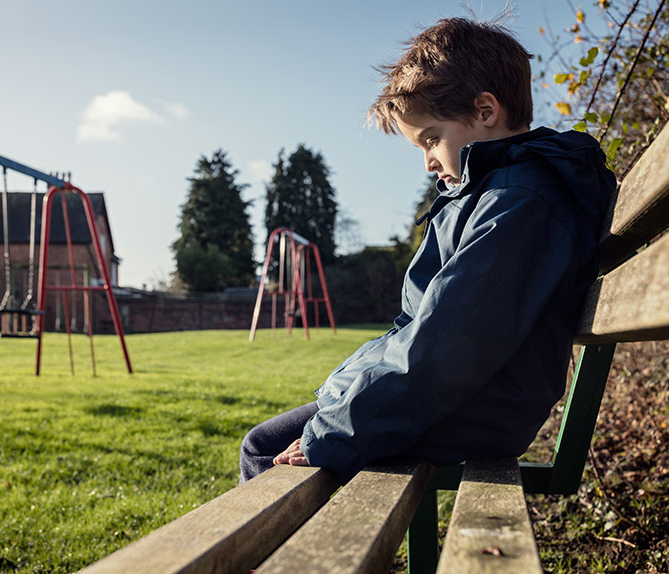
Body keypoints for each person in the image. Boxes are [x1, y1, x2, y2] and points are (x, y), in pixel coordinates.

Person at [239, 16, 617, 484]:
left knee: (263, 451)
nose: (428, 162)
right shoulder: (488, 195)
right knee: (272, 440)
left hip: (475, 407)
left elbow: (450, 343)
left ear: (485, 110)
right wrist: (345, 391)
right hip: (460, 397)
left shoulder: (521, 203)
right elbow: (420, 326)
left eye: (432, 138)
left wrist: (334, 433)